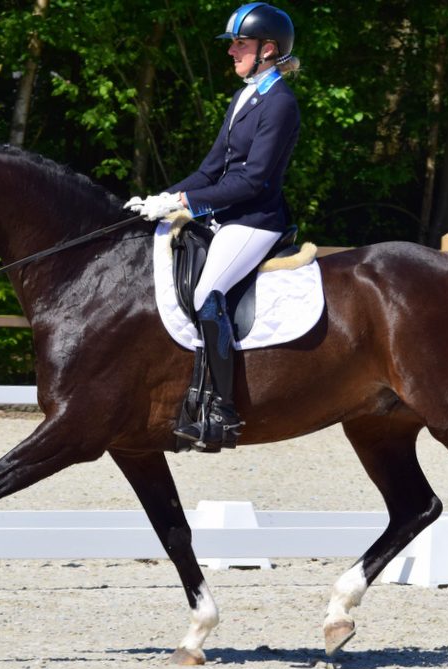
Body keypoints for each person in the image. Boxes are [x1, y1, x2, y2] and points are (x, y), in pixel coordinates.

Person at [127, 2, 301, 451]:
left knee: (208, 294)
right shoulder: (245, 95)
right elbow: (210, 171)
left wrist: (186, 202)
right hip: (226, 215)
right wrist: (162, 199)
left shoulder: (279, 102)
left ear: (268, 49)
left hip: (256, 219)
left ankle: (221, 408)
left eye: (240, 44)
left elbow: (252, 179)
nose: (232, 52)